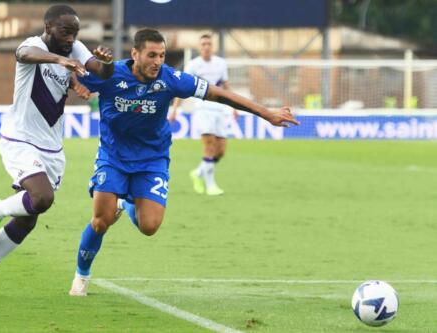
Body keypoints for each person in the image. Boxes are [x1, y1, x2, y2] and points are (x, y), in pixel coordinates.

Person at [68, 28, 299, 296]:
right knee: (100, 221)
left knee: (150, 227)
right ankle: (81, 276)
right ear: (135, 54)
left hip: (152, 159)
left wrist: (265, 112)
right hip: (113, 155)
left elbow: (218, 93)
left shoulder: (171, 79)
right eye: (151, 55)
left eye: (162, 56)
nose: (158, 62)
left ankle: (128, 200)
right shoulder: (110, 74)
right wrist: (75, 84)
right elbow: (69, 76)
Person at [0, 4, 112, 301]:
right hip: (20, 138)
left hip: (52, 146)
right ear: (48, 27)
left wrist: (106, 63)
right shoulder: (34, 46)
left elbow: (101, 72)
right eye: (66, 31)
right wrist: (60, 61)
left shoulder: (74, 48)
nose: (71, 38)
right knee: (42, 198)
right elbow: (23, 55)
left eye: (75, 33)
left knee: (29, 217)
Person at [169, 34, 235, 195]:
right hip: (203, 110)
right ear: (200, 47)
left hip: (220, 110)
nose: (206, 46)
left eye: (209, 44)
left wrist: (234, 107)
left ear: (212, 47)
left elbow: (226, 85)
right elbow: (181, 88)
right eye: (203, 44)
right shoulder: (193, 65)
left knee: (220, 151)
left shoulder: (221, 64)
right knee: (210, 146)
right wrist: (175, 109)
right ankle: (210, 185)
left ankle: (198, 173)